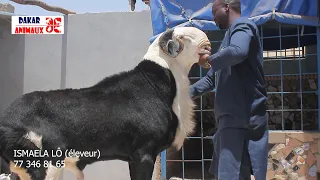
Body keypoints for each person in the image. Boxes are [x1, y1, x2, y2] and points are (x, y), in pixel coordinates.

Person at [189, 0, 268, 179]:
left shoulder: (242, 25)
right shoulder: (228, 40)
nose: (213, 19)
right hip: (233, 119)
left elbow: (238, 51)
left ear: (226, 7)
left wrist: (209, 60)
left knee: (229, 174)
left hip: (241, 117)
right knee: (239, 173)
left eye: (214, 12)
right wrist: (181, 94)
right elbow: (210, 79)